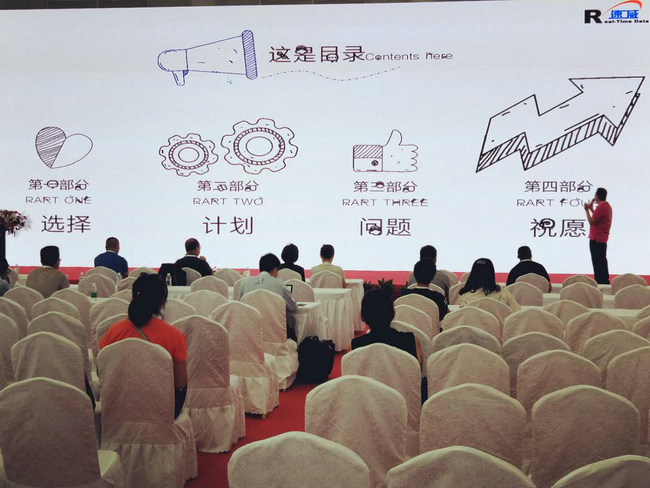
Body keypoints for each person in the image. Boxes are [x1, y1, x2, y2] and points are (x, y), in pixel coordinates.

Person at [99, 273, 188, 418]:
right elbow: (180, 384)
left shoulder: (113, 331)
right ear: (162, 302)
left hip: (119, 408)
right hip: (159, 411)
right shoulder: (174, 336)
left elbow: (102, 373)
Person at [352, 289, 423, 365]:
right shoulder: (411, 340)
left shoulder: (354, 346)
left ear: (362, 317)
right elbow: (418, 370)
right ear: (392, 313)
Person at [239, 253, 298, 340]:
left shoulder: (244, 283)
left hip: (249, 332)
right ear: (275, 270)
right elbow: (293, 307)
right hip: (275, 332)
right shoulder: (279, 284)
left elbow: (240, 306)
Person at [584, 187, 613, 285]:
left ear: (597, 196)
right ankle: (604, 282)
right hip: (601, 238)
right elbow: (598, 217)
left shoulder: (601, 207)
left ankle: (600, 282)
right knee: (601, 261)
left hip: (596, 238)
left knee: (597, 262)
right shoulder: (606, 206)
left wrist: (586, 210)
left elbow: (592, 221)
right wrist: (591, 209)